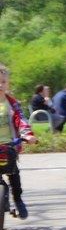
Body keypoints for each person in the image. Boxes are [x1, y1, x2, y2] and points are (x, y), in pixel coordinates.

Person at [0, 62, 37, 220]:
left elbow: (21, 120)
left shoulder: (12, 104)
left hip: (8, 146)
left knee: (14, 173)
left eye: (3, 81)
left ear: (8, 83)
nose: (0, 85)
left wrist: (28, 135)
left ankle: (18, 200)